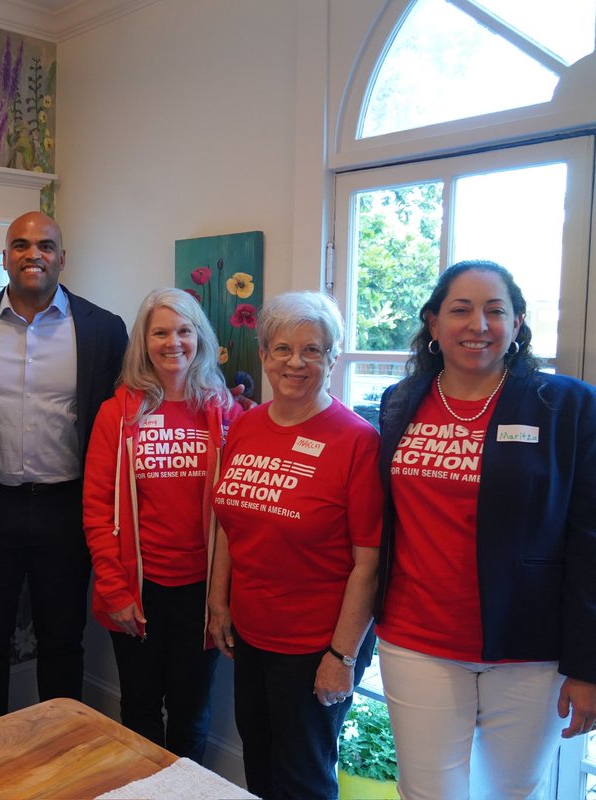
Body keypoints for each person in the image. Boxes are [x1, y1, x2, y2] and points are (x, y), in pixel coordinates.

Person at [373, 260, 596, 800]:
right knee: (427, 793)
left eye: (496, 311)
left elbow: (590, 538)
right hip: (416, 640)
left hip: (529, 646)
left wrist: (588, 667)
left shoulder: (566, 406)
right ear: (432, 323)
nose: (478, 324)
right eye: (460, 309)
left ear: (517, 323)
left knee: (511, 794)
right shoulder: (401, 403)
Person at [0, 210, 128, 725]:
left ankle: (59, 749)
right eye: (22, 245)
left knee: (62, 641)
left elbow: (133, 404)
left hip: (66, 509)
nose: (34, 254)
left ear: (62, 258)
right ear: (5, 258)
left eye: (46, 245)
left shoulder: (103, 329)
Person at [208, 291, 381, 800]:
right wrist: (219, 602)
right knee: (259, 764)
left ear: (333, 358)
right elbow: (226, 523)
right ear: (263, 355)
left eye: (313, 350)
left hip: (315, 645)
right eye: (282, 349)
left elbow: (368, 564)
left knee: (304, 777)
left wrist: (342, 657)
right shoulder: (244, 425)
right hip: (252, 632)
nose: (295, 362)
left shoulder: (356, 440)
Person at [83, 287, 238, 761]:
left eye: (185, 330)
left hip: (202, 592)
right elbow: (96, 507)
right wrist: (115, 589)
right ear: (144, 342)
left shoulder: (225, 410)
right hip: (137, 589)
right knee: (142, 709)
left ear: (200, 338)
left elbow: (237, 511)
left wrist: (223, 596)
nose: (174, 342)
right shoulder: (119, 413)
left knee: (192, 713)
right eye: (161, 332)